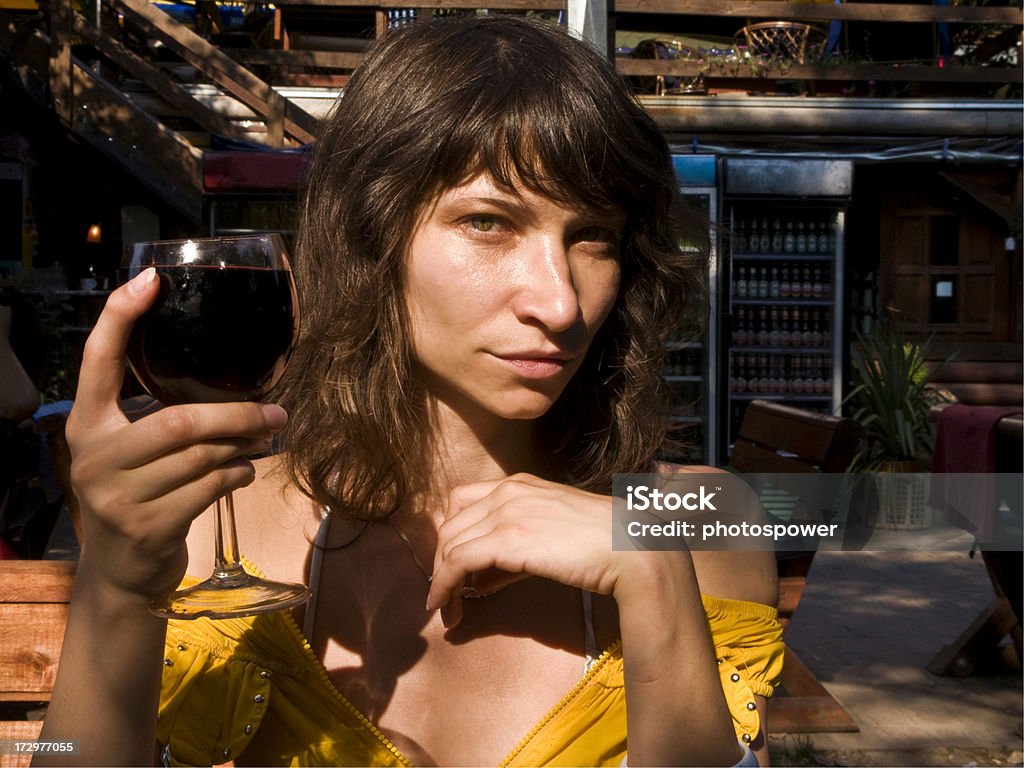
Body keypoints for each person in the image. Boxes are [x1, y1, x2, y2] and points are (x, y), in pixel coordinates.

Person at [37, 14, 782, 767]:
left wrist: (653, 576)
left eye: (592, 236)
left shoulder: (703, 520)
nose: (560, 303)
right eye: (489, 221)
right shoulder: (206, 525)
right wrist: (117, 592)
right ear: (371, 239)